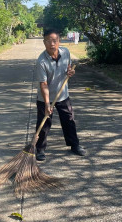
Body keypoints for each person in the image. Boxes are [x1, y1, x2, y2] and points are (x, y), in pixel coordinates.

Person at [35, 29, 87, 161]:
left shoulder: (66, 52)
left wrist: (70, 72)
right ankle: (40, 149)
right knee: (44, 123)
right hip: (45, 98)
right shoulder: (41, 61)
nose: (52, 44)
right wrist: (47, 104)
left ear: (59, 41)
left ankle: (74, 145)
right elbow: (43, 84)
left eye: (54, 41)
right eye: (48, 41)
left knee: (69, 120)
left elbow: (68, 67)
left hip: (63, 95)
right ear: (44, 42)